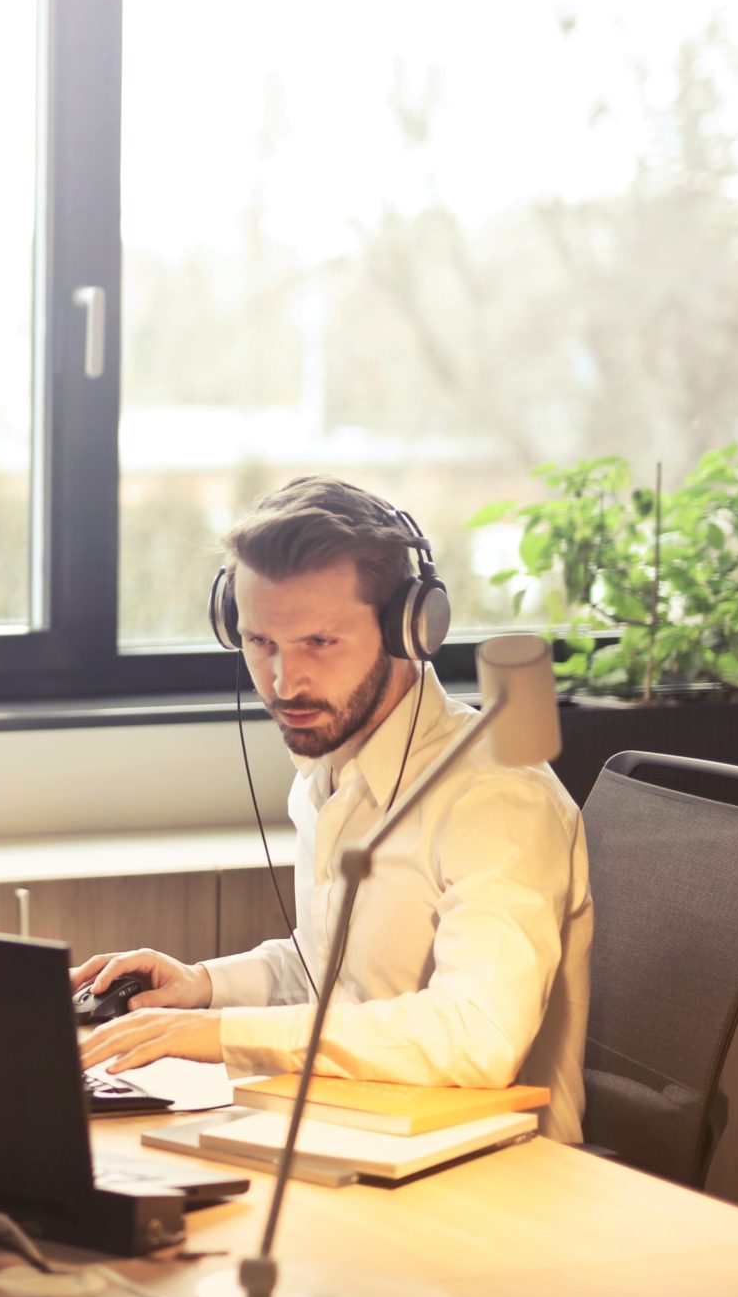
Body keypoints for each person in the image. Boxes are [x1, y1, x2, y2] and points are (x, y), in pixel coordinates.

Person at [75, 476, 593, 1141]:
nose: (285, 683)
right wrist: (202, 986)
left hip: (495, 1177)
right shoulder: (329, 769)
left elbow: (478, 1036)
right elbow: (333, 975)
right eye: (261, 643)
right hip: (356, 1132)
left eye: (319, 642)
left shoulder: (497, 797)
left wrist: (224, 1033)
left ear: (410, 628)